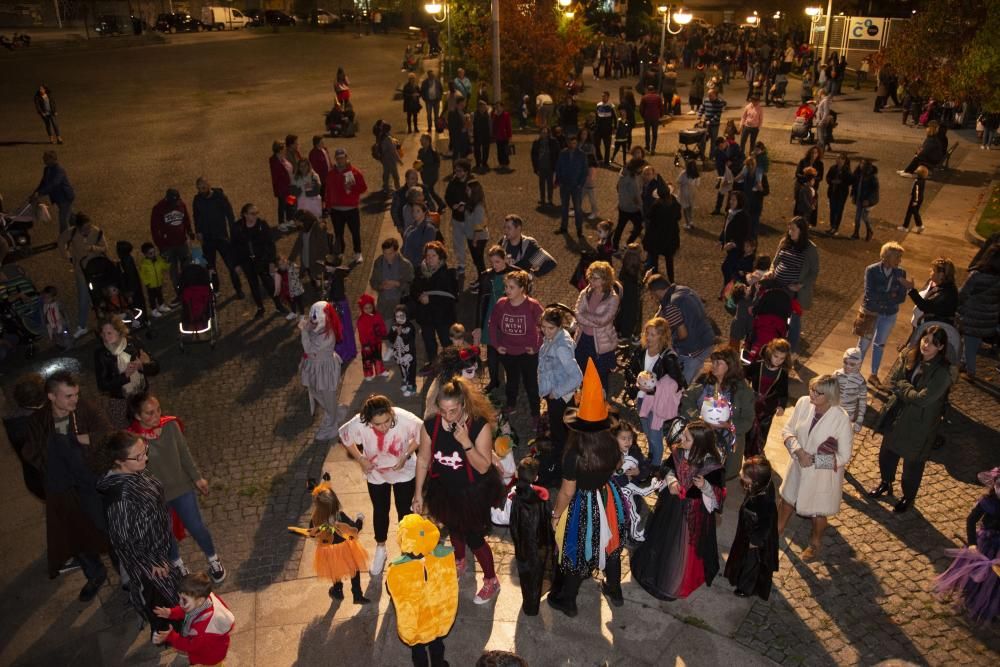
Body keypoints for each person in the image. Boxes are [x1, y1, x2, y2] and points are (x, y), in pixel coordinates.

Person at [411, 378, 505, 605]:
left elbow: (483, 467)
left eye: (453, 411)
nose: (448, 416)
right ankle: (459, 560)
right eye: (443, 411)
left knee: (474, 537)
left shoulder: (478, 426)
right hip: (444, 490)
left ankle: (491, 579)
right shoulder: (431, 426)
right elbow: (423, 459)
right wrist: (418, 494)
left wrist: (465, 442)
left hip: (471, 492)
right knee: (452, 526)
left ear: (463, 405)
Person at [547, 361, 627, 615]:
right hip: (607, 496)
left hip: (583, 503)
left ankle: (568, 600)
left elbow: (567, 492)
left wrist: (556, 514)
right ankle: (614, 590)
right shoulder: (613, 444)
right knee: (611, 544)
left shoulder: (574, 454)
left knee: (575, 549)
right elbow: (617, 465)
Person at [127, 392, 225, 584]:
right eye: (149, 413)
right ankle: (177, 564)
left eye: (158, 410)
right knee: (166, 533)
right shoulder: (134, 440)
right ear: (137, 416)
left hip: (181, 487)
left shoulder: (170, 425)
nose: (156, 416)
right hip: (156, 496)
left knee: (197, 526)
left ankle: (214, 559)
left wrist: (197, 478)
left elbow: (183, 452)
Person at [631, 419, 725, 600]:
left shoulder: (712, 467)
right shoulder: (679, 452)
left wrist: (705, 487)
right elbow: (666, 467)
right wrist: (672, 479)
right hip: (670, 505)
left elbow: (718, 496)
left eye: (687, 437)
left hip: (692, 514)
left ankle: (675, 578)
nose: (682, 438)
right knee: (662, 538)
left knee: (680, 547)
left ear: (699, 444)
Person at [96, 430, 181, 632]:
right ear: (119, 461)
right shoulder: (121, 498)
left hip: (158, 549)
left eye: (145, 451)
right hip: (149, 561)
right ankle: (166, 634)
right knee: (162, 601)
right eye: (139, 456)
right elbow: (122, 539)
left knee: (167, 597)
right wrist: (152, 561)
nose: (146, 458)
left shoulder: (134, 472)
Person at [869, 326, 954, 513]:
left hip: (919, 425)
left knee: (912, 465)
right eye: (925, 339)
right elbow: (894, 379)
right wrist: (907, 390)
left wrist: (903, 388)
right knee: (887, 454)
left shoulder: (942, 373)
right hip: (897, 416)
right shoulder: (910, 356)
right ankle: (886, 482)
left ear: (941, 347)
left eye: (933, 343)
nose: (927, 345)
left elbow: (923, 399)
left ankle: (908, 496)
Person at [338, 395, 421, 576]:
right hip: (376, 473)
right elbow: (344, 435)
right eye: (377, 424)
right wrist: (360, 459)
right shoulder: (360, 422)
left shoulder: (404, 418)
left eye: (387, 421)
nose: (383, 427)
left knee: (405, 512)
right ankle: (381, 548)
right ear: (368, 421)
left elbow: (424, 433)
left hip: (404, 472)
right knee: (380, 510)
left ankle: (407, 549)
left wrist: (406, 454)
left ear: (391, 413)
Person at [777, 374, 854, 561]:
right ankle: (776, 530)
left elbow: (844, 457)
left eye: (818, 393)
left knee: (817, 512)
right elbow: (788, 430)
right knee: (787, 501)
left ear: (829, 396)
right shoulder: (803, 403)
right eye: (811, 389)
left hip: (822, 476)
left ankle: (815, 542)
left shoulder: (841, 419)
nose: (812, 394)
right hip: (797, 465)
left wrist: (814, 461)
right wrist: (799, 452)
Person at [386, 514, 459, 667]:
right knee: (437, 644)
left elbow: (392, 591)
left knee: (418, 650)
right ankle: (438, 664)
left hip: (417, 622)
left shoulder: (398, 569)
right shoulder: (443, 558)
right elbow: (449, 584)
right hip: (437, 616)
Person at [933, 467, 1000, 624]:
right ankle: (975, 598)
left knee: (996, 580)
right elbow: (971, 520)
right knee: (979, 575)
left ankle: (993, 604)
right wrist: (972, 544)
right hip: (986, 544)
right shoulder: (987, 502)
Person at [289, 479, 370, 603]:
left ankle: (337, 591)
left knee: (334, 570)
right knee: (354, 569)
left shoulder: (316, 519)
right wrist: (360, 519)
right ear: (335, 502)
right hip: (345, 548)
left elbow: (311, 533)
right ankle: (357, 595)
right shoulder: (340, 516)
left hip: (328, 550)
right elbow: (354, 530)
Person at [680, 345, 755, 479]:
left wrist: (728, 425)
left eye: (718, 363)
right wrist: (699, 420)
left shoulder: (743, 390)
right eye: (713, 362)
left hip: (727, 443)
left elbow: (748, 420)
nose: (713, 365)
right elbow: (687, 400)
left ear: (730, 366)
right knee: (698, 474)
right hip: (702, 439)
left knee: (718, 479)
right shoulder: (704, 380)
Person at [624, 317, 684, 467]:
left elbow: (679, 383)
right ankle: (651, 458)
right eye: (647, 333)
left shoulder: (668, 357)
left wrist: (654, 388)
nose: (648, 337)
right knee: (647, 432)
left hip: (657, 402)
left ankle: (656, 467)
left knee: (655, 436)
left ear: (662, 336)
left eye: (653, 334)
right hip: (641, 399)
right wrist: (637, 382)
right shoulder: (641, 350)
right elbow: (629, 369)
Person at [489, 269, 543, 425]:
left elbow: (546, 326)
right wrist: (496, 345)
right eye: (506, 286)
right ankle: (511, 405)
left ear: (522, 289)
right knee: (511, 382)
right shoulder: (501, 304)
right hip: (508, 352)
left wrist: (537, 346)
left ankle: (535, 414)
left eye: (511, 287)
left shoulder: (533, 306)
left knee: (531, 385)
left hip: (528, 354)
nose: (507, 290)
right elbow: (492, 325)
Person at [724, 455, 779, 600]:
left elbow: (766, 522)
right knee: (742, 555)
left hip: (756, 537)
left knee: (752, 563)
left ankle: (746, 588)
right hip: (748, 528)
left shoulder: (764, 499)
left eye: (744, 475)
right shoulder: (761, 485)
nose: (741, 475)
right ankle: (736, 575)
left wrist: (755, 540)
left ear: (755, 480)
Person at [857, 242, 912, 385]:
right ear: (887, 257)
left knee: (880, 344)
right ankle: (854, 372)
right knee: (863, 344)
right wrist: (890, 295)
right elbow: (870, 294)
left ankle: (873, 374)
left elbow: (901, 297)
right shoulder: (872, 270)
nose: (899, 261)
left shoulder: (900, 273)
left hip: (889, 315)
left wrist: (888, 295)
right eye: (897, 258)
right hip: (871, 312)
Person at [646, 275, 716, 384]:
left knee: (680, 385)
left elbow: (683, 334)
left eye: (652, 295)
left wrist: (669, 342)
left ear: (656, 292)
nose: (653, 298)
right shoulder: (684, 290)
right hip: (707, 339)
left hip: (693, 350)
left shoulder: (671, 306)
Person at [152, 573, 235, 664]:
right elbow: (186, 610)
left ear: (200, 601)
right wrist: (171, 613)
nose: (180, 603)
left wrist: (171, 636)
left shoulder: (202, 629)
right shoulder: (204, 599)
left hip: (210, 657)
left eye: (184, 600)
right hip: (211, 648)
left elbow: (189, 644)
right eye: (179, 598)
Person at [509, 455, 555, 616]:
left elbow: (510, 520)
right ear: (536, 477)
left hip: (522, 544)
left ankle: (529, 604)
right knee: (537, 573)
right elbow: (548, 519)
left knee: (525, 574)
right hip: (539, 544)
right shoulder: (542, 498)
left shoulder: (514, 497)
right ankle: (535, 600)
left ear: (516, 474)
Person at [94, 316, 158, 428]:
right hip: (121, 402)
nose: (105, 337)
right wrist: (125, 376)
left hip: (142, 395)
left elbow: (156, 368)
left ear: (119, 331)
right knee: (126, 434)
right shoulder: (101, 354)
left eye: (109, 333)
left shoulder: (133, 343)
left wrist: (142, 366)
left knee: (149, 427)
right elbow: (103, 385)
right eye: (103, 334)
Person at [537, 306, 582, 464]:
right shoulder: (555, 338)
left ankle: (561, 465)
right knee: (562, 431)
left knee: (560, 434)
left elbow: (577, 377)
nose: (546, 331)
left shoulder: (561, 346)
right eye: (543, 327)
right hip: (556, 394)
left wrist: (555, 393)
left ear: (559, 326)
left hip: (559, 397)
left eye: (550, 328)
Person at [771, 217, 820, 357]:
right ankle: (776, 347)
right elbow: (775, 261)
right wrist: (771, 271)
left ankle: (792, 351)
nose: (790, 232)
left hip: (794, 292)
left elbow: (814, 271)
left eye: (793, 229)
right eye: (789, 228)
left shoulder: (810, 249)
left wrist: (801, 285)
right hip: (778, 286)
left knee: (794, 321)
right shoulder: (784, 242)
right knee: (777, 316)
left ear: (801, 231)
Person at [299, 301, 344, 441]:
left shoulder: (328, 336)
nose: (312, 319)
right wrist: (307, 328)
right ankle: (333, 412)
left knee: (327, 396)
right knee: (315, 391)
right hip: (316, 368)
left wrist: (304, 331)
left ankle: (332, 423)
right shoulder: (318, 327)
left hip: (324, 370)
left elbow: (309, 350)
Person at [58, 212, 108, 338]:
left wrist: (93, 248)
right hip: (81, 271)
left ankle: (105, 322)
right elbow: (61, 241)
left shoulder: (97, 231)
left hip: (96, 269)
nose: (88, 230)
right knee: (83, 297)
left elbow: (105, 248)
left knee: (100, 295)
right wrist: (68, 256)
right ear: (78, 227)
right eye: (85, 228)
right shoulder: (72, 232)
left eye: (89, 227)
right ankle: (82, 325)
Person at [573, 261, 621, 390]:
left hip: (600, 343)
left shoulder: (613, 298)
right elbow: (577, 314)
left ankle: (601, 401)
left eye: (595, 278)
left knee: (600, 375)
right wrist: (588, 318)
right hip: (582, 339)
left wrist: (585, 316)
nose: (591, 280)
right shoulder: (585, 292)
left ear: (605, 279)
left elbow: (603, 320)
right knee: (581, 370)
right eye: (590, 277)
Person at [192, 177, 243, 298]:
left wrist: (233, 233)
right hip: (207, 238)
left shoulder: (219, 196)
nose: (201, 190)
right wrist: (198, 231)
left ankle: (238, 289)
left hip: (221, 236)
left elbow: (229, 214)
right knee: (211, 266)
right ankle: (215, 289)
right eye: (199, 188)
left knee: (231, 264)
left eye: (203, 187)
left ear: (209, 185)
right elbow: (196, 216)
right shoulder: (197, 199)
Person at [231, 203, 281, 318]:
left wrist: (272, 261)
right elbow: (233, 247)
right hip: (247, 262)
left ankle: (278, 305)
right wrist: (236, 264)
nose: (255, 216)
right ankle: (260, 308)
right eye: (252, 213)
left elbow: (270, 244)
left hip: (262, 260)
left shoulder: (262, 225)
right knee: (253, 286)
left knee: (269, 284)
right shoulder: (237, 227)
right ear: (245, 215)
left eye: (256, 213)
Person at [957, 247, 1000, 379]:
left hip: (972, 315)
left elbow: (963, 294)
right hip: (989, 318)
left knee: (970, 342)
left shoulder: (976, 275)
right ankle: (963, 362)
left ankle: (971, 371)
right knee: (974, 342)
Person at [411, 241, 458, 362]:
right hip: (426, 315)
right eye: (427, 256)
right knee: (429, 342)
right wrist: (419, 297)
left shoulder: (448, 274)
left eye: (433, 256)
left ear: (440, 257)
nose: (430, 259)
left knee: (447, 343)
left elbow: (452, 297)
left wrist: (430, 299)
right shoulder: (419, 271)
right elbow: (413, 289)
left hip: (443, 316)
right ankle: (433, 364)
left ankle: (451, 366)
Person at [744, 338, 791, 458]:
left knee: (762, 430)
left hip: (768, 408)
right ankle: (745, 449)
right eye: (776, 356)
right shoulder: (758, 365)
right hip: (751, 403)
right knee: (748, 428)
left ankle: (757, 450)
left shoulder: (782, 373)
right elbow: (746, 374)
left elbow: (783, 392)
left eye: (782, 358)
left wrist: (781, 405)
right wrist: (745, 383)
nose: (778, 361)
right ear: (770, 353)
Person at [477, 245, 514, 391]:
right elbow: (480, 301)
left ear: (505, 259)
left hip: (509, 316)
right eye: (492, 262)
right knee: (491, 351)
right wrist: (478, 325)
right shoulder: (486, 275)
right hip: (491, 316)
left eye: (498, 261)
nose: (494, 265)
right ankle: (494, 380)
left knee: (509, 350)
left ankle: (512, 379)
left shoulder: (514, 274)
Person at [325, 148, 368, 264]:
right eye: (338, 158)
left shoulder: (354, 172)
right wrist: (328, 206)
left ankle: (358, 253)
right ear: (335, 159)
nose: (340, 160)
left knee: (355, 232)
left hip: (351, 209)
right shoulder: (330, 174)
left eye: (342, 158)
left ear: (346, 157)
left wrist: (352, 189)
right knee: (338, 233)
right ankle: (340, 252)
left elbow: (363, 188)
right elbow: (328, 191)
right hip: (336, 210)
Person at [369, 237, 414, 325]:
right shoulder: (379, 262)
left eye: (390, 253)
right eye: (385, 253)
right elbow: (373, 281)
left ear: (396, 251)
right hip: (383, 303)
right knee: (383, 331)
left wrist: (397, 284)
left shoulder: (406, 265)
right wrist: (381, 286)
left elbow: (411, 285)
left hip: (399, 303)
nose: (387, 257)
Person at [645, 181, 682, 282]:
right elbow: (679, 217)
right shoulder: (675, 203)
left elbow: (649, 216)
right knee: (669, 260)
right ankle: (671, 280)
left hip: (657, 236)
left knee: (655, 259)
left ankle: (655, 279)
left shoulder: (657, 205)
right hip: (670, 236)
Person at [31, 150, 75, 233]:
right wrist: (36, 192)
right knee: (70, 216)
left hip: (65, 197)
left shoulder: (59, 170)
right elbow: (43, 182)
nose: (44, 160)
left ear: (53, 159)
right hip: (59, 198)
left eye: (46, 159)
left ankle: (63, 238)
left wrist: (40, 193)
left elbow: (54, 184)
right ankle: (80, 228)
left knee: (63, 219)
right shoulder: (47, 169)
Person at [555, 135, 588, 236]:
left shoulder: (582, 154)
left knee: (577, 209)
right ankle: (564, 227)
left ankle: (579, 230)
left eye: (574, 143)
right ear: (568, 143)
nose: (572, 145)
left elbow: (584, 171)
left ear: (577, 143)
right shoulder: (563, 153)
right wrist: (559, 180)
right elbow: (558, 167)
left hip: (576, 186)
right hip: (565, 185)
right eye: (570, 143)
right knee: (564, 207)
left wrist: (580, 184)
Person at [719, 191, 752, 290]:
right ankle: (728, 290)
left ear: (739, 201)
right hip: (731, 248)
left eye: (734, 200)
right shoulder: (730, 213)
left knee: (727, 268)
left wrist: (734, 243)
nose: (731, 202)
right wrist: (721, 240)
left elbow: (744, 234)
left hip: (738, 248)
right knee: (729, 269)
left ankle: (729, 291)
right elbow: (725, 228)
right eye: (730, 199)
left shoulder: (743, 216)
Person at [833, 347, 868, 434]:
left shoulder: (861, 381)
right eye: (845, 362)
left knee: (841, 436)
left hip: (848, 415)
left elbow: (863, 401)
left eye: (852, 364)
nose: (847, 366)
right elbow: (828, 391)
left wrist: (859, 419)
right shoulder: (836, 374)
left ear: (859, 364)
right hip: (833, 410)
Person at [357, 293, 390, 380]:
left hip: (377, 341)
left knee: (378, 357)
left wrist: (383, 333)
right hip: (367, 344)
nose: (368, 310)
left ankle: (380, 370)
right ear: (362, 309)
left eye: (370, 307)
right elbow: (362, 334)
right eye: (366, 308)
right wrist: (365, 344)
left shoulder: (377, 316)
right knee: (367, 359)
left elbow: (382, 325)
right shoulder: (361, 320)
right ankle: (368, 373)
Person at [388, 305, 419, 396]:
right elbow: (391, 338)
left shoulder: (410, 327)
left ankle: (412, 386)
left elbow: (409, 339)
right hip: (398, 353)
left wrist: (401, 334)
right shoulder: (394, 326)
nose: (399, 319)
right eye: (397, 317)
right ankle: (405, 381)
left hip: (408, 354)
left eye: (402, 316)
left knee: (410, 370)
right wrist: (393, 333)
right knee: (402, 369)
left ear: (406, 315)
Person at [850, 158, 880, 241]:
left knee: (864, 216)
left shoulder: (872, 177)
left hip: (867, 201)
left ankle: (869, 231)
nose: (861, 165)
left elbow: (874, 191)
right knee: (857, 217)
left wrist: (869, 201)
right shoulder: (858, 174)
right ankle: (856, 233)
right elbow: (855, 186)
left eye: (863, 164)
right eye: (861, 163)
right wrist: (853, 195)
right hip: (860, 199)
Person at [530, 127, 559, 207]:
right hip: (541, 166)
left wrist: (556, 166)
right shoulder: (536, 142)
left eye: (546, 132)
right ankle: (542, 199)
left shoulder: (554, 142)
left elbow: (557, 154)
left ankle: (550, 200)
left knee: (550, 184)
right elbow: (533, 156)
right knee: (541, 184)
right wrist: (536, 168)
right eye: (543, 132)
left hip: (550, 166)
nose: (544, 134)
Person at [824, 154, 852, 235]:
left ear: (843, 160)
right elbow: (827, 177)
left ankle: (836, 228)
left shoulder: (846, 170)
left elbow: (850, 181)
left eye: (839, 159)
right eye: (837, 158)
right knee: (832, 210)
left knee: (839, 210)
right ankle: (832, 226)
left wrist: (841, 182)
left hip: (841, 194)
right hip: (832, 192)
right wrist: (831, 181)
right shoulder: (833, 168)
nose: (837, 160)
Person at [268, 140, 294, 226]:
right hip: (282, 188)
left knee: (290, 203)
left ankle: (290, 219)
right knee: (282, 205)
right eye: (283, 148)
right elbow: (277, 176)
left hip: (289, 185)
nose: (285, 149)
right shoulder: (274, 161)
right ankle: (281, 222)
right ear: (279, 150)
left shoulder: (282, 158)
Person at [696, 89, 726, 160]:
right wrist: (699, 115)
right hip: (705, 124)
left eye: (710, 95)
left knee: (713, 141)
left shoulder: (719, 103)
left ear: (715, 95)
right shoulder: (706, 100)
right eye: (708, 95)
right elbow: (702, 108)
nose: (708, 97)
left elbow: (718, 115)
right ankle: (702, 155)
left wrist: (711, 121)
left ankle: (711, 156)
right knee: (702, 140)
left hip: (714, 125)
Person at [898, 165, 928, 234]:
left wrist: (915, 201)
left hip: (915, 199)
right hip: (920, 198)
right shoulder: (923, 180)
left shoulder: (917, 182)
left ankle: (915, 225)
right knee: (914, 212)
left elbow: (916, 192)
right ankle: (912, 226)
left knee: (911, 212)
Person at [677, 159, 700, 231]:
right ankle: (691, 221)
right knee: (690, 207)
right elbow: (697, 184)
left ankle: (687, 223)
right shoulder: (697, 174)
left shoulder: (684, 173)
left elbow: (678, 181)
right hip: (692, 192)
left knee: (685, 208)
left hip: (684, 192)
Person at [639, 85, 663, 153]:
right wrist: (660, 115)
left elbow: (641, 109)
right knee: (655, 133)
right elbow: (661, 107)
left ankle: (647, 146)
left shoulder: (644, 97)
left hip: (647, 117)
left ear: (648, 90)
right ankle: (653, 148)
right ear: (654, 90)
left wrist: (643, 116)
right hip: (655, 117)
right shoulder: (658, 97)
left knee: (647, 133)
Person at [594, 91, 616, 165]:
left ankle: (606, 161)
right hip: (599, 129)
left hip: (607, 129)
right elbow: (596, 116)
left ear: (608, 97)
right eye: (602, 96)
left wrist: (615, 127)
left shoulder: (611, 106)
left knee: (607, 146)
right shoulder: (598, 105)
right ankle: (600, 158)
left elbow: (615, 118)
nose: (603, 97)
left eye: (605, 96)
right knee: (596, 144)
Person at [492, 101, 513, 169]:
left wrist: (510, 136)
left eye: (499, 106)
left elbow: (508, 126)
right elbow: (494, 125)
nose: (497, 108)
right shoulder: (495, 115)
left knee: (505, 150)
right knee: (499, 150)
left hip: (505, 135)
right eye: (496, 106)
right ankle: (501, 163)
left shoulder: (506, 115)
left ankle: (506, 163)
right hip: (498, 136)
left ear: (502, 107)